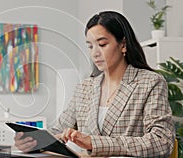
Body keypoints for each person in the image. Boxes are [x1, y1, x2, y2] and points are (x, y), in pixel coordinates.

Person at [14, 11, 175, 157]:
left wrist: (94, 143)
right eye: (90, 46)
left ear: (123, 45)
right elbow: (58, 130)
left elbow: (162, 142)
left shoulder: (150, 82)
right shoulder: (85, 88)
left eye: (102, 44)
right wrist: (34, 141)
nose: (95, 53)